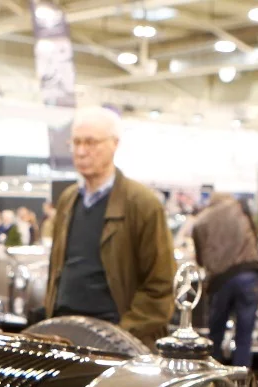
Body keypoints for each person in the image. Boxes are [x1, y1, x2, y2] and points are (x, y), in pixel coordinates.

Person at [45, 107, 176, 345]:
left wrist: (122, 333)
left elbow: (161, 285)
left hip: (117, 339)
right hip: (65, 333)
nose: (82, 151)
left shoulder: (142, 204)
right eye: (76, 142)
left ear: (114, 144)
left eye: (91, 142)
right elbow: (56, 270)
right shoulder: (68, 200)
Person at [190, 190, 258, 363]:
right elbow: (255, 238)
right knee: (244, 336)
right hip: (249, 274)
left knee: (215, 334)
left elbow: (200, 258)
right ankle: (241, 382)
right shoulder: (240, 208)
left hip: (221, 280)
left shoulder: (201, 221)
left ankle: (213, 380)